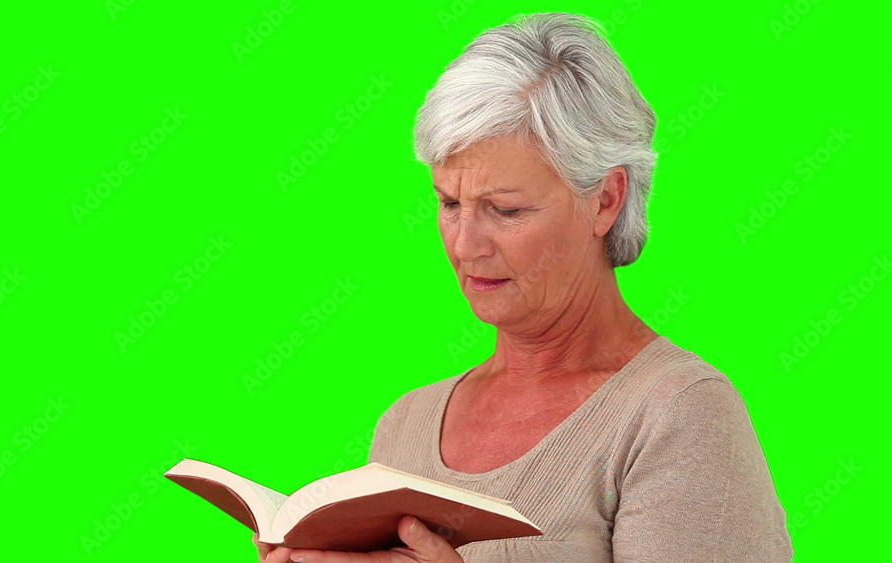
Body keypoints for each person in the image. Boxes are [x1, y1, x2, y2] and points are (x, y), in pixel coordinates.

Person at [257, 12, 792, 562]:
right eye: (450, 203)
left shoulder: (679, 412)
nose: (465, 245)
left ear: (606, 200)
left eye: (506, 210)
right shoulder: (404, 425)